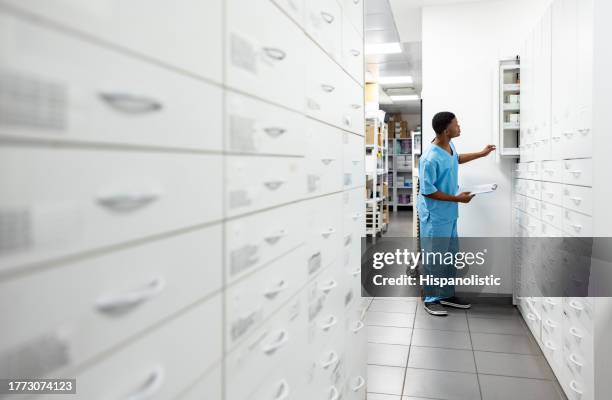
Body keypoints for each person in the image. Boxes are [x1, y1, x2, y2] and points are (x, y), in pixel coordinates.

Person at [417, 111, 495, 316]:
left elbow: (456, 159)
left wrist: (481, 153)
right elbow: (428, 191)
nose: (459, 127)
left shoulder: (449, 145)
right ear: (445, 130)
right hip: (435, 215)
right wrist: (457, 199)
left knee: (450, 255)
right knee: (435, 257)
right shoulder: (429, 158)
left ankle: (446, 294)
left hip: (449, 213)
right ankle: (431, 298)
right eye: (456, 124)